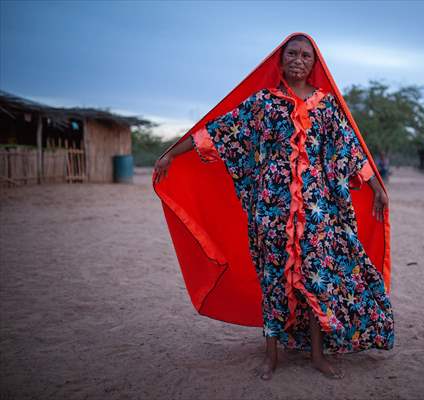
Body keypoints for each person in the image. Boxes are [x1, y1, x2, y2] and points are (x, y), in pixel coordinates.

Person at [153, 33, 394, 381]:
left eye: (306, 56)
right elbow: (220, 131)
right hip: (272, 208)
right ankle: (271, 355)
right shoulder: (263, 104)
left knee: (316, 278)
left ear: (315, 64)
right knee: (273, 278)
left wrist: (377, 187)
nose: (298, 59)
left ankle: (317, 354)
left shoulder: (326, 107)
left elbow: (351, 151)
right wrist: (170, 154)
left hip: (317, 210)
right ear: (279, 62)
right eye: (291, 54)